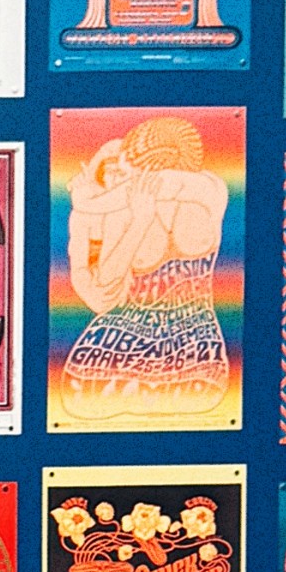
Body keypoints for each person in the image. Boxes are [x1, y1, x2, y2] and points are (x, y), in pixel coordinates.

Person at [59, 113, 229, 421]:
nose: (116, 176)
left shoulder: (206, 189)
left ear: (145, 163)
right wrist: (137, 220)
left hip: (190, 352)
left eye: (123, 164)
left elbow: (104, 197)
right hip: (121, 350)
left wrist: (84, 193)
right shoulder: (208, 193)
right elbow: (105, 290)